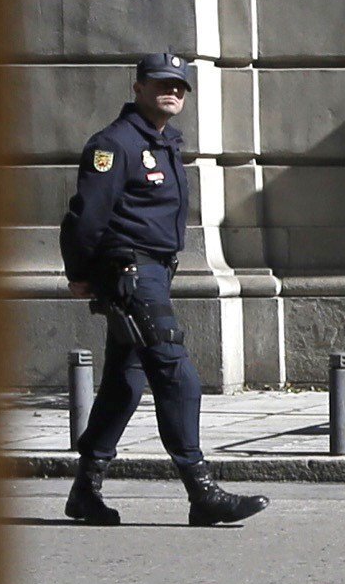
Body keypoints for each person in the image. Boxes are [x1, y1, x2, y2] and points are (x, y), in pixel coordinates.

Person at [58, 54, 265, 528]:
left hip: (155, 271)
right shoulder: (114, 145)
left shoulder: (166, 142)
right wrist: (81, 273)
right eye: (160, 83)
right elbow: (85, 217)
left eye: (179, 85)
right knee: (177, 373)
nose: (171, 91)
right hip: (131, 272)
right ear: (138, 87)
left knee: (124, 383)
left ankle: (84, 490)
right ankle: (201, 490)